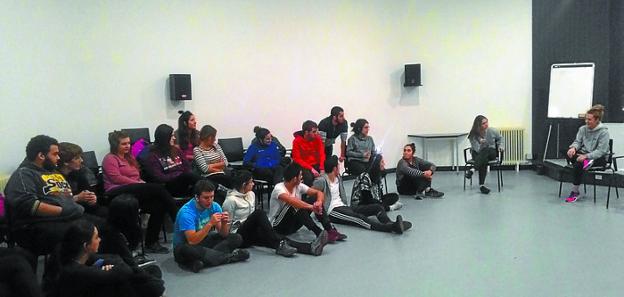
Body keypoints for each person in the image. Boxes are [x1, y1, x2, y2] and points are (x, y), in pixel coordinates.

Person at [4, 135, 87, 257]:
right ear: (41, 156)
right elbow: (27, 204)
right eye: (55, 154)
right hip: (36, 226)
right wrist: (63, 211)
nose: (58, 158)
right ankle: (59, 274)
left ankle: (105, 269)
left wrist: (75, 201)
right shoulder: (24, 174)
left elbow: (63, 197)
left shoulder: (53, 172)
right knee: (80, 234)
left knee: (104, 229)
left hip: (65, 218)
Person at [44, 219, 165, 297]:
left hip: (99, 282)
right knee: (125, 282)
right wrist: (104, 270)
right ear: (86, 246)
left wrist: (105, 268)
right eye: (96, 238)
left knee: (151, 272)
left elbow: (113, 258)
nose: (100, 240)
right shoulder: (75, 271)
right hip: (102, 288)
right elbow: (123, 270)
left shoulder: (77, 256)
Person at [102, 130, 178, 254]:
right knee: (158, 188)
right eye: (123, 144)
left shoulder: (129, 158)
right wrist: (140, 184)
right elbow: (116, 178)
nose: (127, 146)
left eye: (128, 143)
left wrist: (141, 182)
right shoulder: (110, 159)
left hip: (133, 190)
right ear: (115, 145)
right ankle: (178, 218)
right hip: (115, 191)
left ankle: (151, 242)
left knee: (159, 206)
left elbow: (137, 176)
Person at [314, 156, 410, 234]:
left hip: (343, 206)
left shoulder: (338, 178)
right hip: (332, 211)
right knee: (359, 219)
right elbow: (311, 195)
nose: (339, 168)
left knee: (377, 207)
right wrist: (319, 212)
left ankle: (391, 223)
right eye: (338, 166)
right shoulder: (322, 180)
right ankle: (389, 228)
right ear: (335, 168)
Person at [173, 180, 249, 273]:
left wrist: (224, 223)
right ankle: (230, 257)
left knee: (236, 238)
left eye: (212, 197)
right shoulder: (186, 213)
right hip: (185, 246)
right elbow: (192, 241)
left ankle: (200, 262)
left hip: (203, 242)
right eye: (206, 198)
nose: (210, 201)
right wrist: (210, 224)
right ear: (197, 197)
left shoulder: (215, 206)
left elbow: (223, 234)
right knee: (188, 250)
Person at [222, 170, 302, 257]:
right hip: (239, 236)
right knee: (259, 213)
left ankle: (309, 248)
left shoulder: (251, 194)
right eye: (251, 182)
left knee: (277, 237)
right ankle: (279, 245)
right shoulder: (230, 201)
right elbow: (227, 229)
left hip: (251, 232)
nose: (253, 184)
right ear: (244, 185)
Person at [268, 163, 345, 247]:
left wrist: (318, 202)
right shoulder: (278, 188)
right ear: (294, 179)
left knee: (314, 198)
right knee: (294, 204)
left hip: (293, 225)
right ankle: (319, 233)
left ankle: (329, 230)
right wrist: (311, 207)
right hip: (279, 227)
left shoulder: (299, 186)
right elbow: (291, 201)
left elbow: (318, 192)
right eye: (300, 175)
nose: (302, 177)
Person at [564, 104, 610, 202]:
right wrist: (573, 148)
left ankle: (575, 192)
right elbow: (578, 142)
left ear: (597, 120)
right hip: (583, 154)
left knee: (578, 164)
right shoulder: (582, 129)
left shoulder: (604, 132)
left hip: (599, 158)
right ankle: (585, 162)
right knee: (566, 152)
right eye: (586, 119)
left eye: (589, 120)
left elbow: (601, 151)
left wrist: (587, 156)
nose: (586, 121)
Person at [144, 124, 202, 197]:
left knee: (199, 186)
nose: (174, 138)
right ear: (164, 138)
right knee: (188, 176)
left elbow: (187, 167)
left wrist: (181, 174)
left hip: (184, 182)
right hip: (169, 186)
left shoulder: (176, 150)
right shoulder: (152, 156)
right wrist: (178, 174)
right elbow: (159, 177)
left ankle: (214, 188)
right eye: (171, 136)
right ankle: (216, 187)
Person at [58, 142, 108, 217]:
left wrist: (92, 199)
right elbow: (58, 202)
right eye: (77, 158)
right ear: (66, 162)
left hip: (85, 208)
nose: (81, 160)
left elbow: (88, 192)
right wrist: (77, 198)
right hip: (70, 213)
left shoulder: (80, 172)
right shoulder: (55, 177)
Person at [465, 115, 504, 194]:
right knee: (483, 159)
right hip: (478, 153)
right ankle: (481, 186)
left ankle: (473, 169)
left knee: (486, 151)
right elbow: (477, 150)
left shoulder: (492, 130)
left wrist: (501, 146)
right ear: (478, 125)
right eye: (483, 123)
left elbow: (500, 138)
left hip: (491, 152)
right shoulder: (473, 135)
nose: (486, 124)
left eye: (487, 122)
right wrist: (482, 144)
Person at [193, 124, 232, 201]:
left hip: (221, 174)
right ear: (207, 137)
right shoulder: (197, 150)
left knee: (233, 181)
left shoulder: (216, 146)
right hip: (208, 177)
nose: (214, 139)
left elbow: (226, 162)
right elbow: (205, 169)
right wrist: (219, 167)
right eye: (213, 137)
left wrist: (211, 166)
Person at [291, 120, 325, 186]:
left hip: (316, 164)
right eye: (314, 132)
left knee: (328, 172)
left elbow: (322, 154)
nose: (317, 133)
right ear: (306, 132)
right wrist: (311, 169)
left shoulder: (318, 139)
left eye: (316, 131)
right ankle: (309, 194)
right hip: (304, 165)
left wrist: (322, 168)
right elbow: (297, 159)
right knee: (308, 177)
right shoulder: (296, 141)